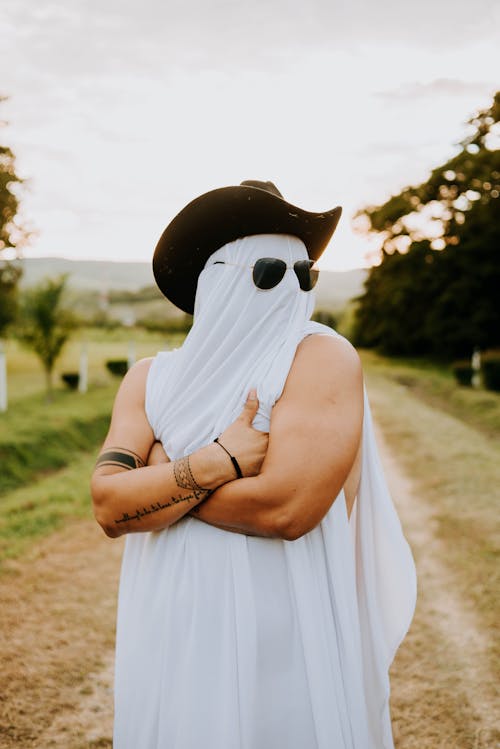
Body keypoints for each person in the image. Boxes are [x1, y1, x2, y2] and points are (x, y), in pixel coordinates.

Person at [91, 180, 416, 749]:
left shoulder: (319, 357)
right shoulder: (149, 378)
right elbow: (108, 506)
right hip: (173, 617)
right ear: (217, 278)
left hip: (284, 618)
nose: (293, 287)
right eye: (271, 271)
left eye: (304, 273)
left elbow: (287, 509)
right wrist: (217, 463)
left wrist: (164, 477)